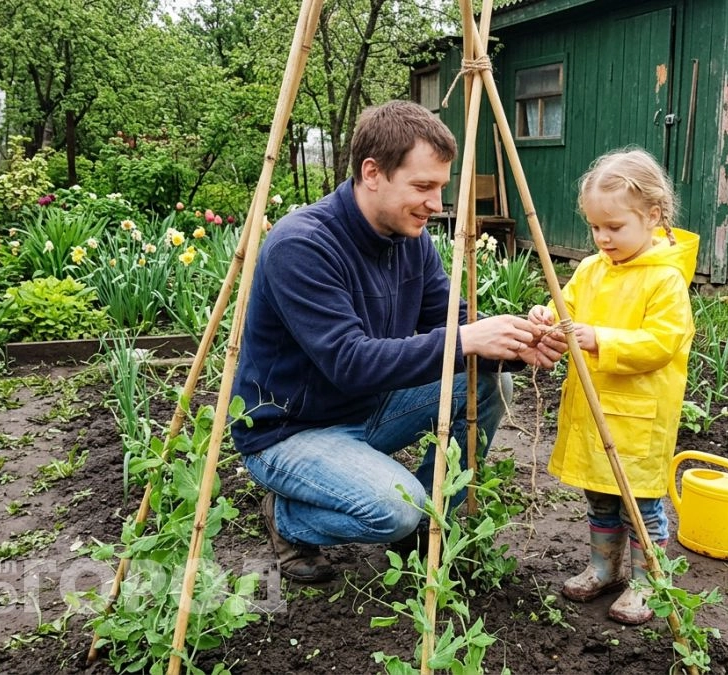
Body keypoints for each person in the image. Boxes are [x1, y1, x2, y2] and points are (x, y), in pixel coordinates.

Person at [232, 100, 567, 583]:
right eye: (423, 186)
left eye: (441, 188)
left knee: (490, 384)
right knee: (396, 509)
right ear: (372, 173)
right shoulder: (302, 245)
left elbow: (453, 320)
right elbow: (349, 362)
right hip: (290, 432)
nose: (436, 203)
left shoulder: (410, 241)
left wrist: (517, 345)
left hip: (366, 407)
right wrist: (468, 338)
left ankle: (430, 529)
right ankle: (288, 519)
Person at [527, 147, 698, 625]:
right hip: (593, 411)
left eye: (615, 227)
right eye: (595, 227)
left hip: (638, 417)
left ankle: (648, 582)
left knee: (640, 505)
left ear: (653, 216)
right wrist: (547, 318)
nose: (603, 238)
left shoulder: (665, 281)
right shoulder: (590, 270)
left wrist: (599, 339)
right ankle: (604, 568)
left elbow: (661, 344)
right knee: (600, 497)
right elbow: (570, 314)